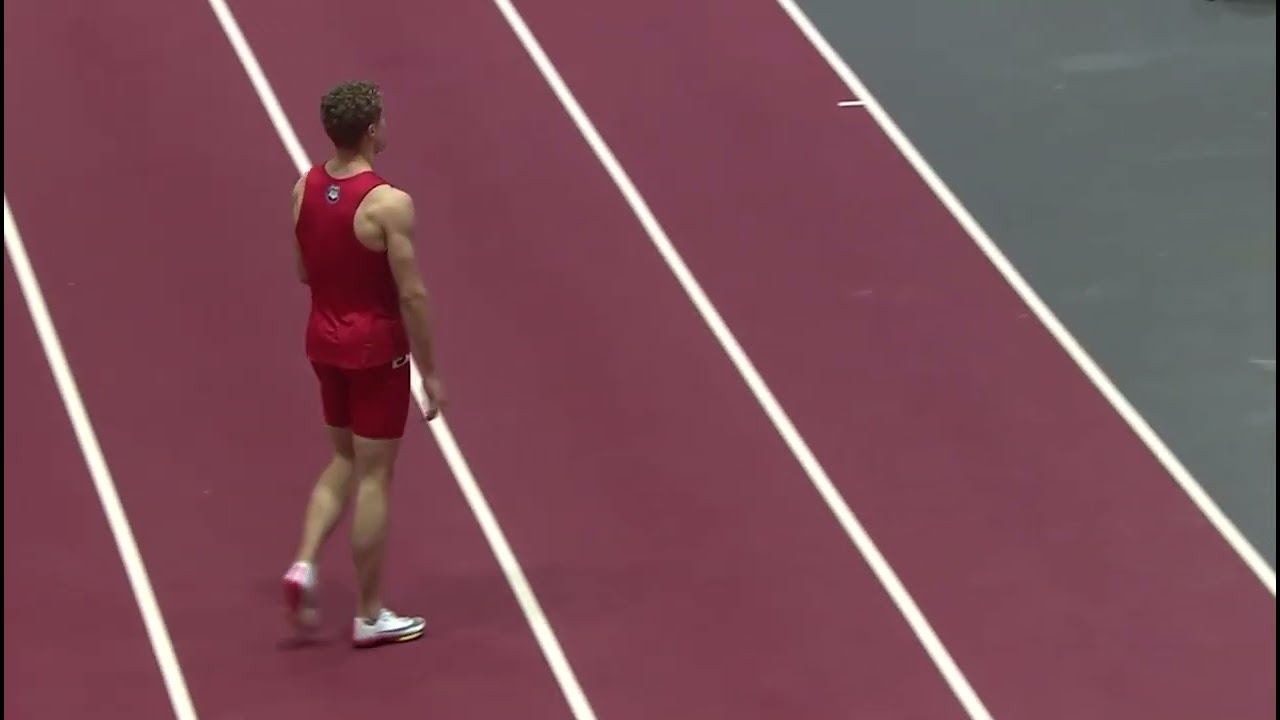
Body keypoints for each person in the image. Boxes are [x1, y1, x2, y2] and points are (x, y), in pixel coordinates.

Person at [280, 80, 446, 648]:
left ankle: (303, 564)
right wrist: (433, 371)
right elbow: (414, 295)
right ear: (372, 129)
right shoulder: (388, 204)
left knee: (342, 458)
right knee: (376, 475)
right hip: (375, 352)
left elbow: (304, 272)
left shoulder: (303, 187)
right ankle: (370, 614)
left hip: (322, 343)